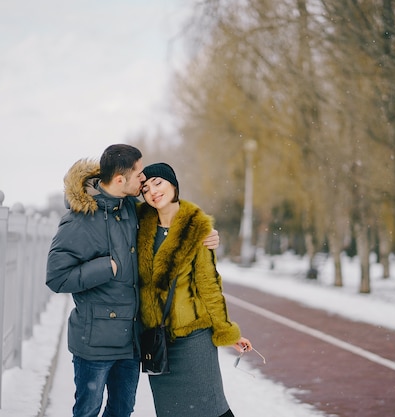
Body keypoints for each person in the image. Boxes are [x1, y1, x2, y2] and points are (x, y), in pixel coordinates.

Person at [46, 145, 219, 417]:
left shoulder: (131, 210)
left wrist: (204, 232)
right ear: (119, 180)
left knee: (122, 410)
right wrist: (106, 267)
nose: (143, 179)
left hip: (130, 342)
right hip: (94, 342)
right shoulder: (79, 220)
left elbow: (169, 214)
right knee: (88, 410)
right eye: (139, 173)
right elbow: (56, 277)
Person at [137, 162, 254, 417]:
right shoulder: (138, 226)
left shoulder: (196, 228)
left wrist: (226, 330)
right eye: (145, 188)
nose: (153, 191)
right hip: (157, 342)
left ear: (173, 185)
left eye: (158, 183)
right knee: (171, 412)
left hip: (194, 340)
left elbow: (209, 285)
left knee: (212, 409)